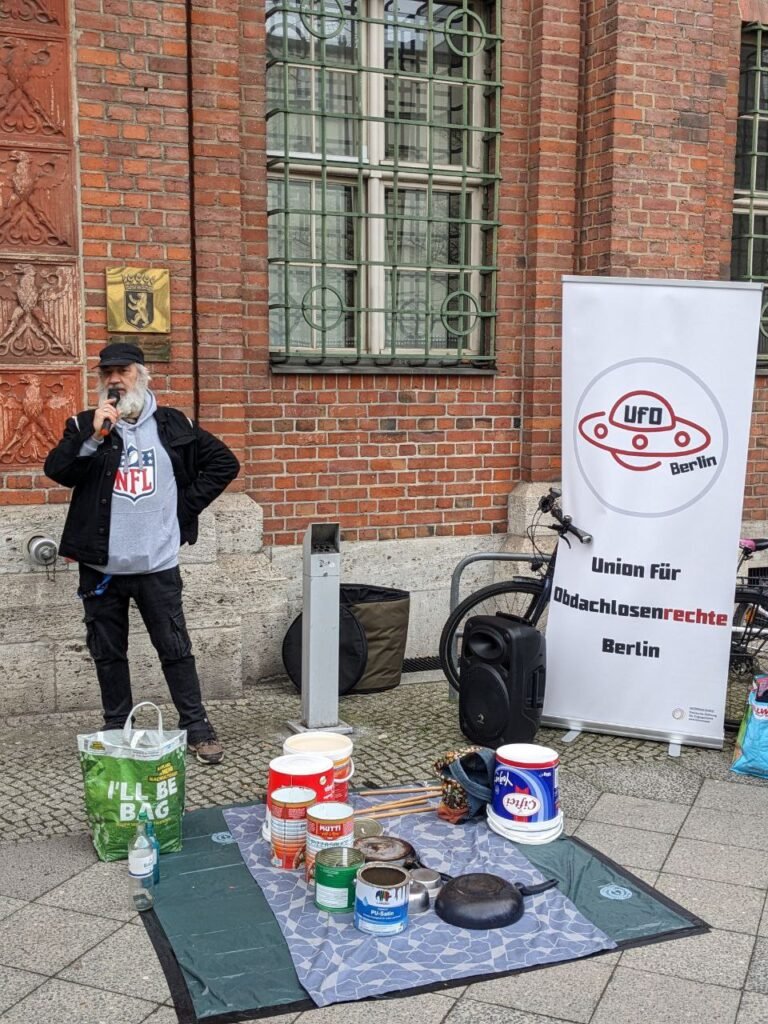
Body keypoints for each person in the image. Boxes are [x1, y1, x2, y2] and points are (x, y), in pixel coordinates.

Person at [44, 342, 240, 764]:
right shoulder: (84, 425)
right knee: (107, 652)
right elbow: (58, 471)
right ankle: (118, 729)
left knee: (175, 649)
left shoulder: (173, 425)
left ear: (142, 375)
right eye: (107, 373)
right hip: (101, 569)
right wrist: (96, 436)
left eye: (124, 371)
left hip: (157, 565)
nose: (115, 380)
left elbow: (225, 463)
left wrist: (181, 508)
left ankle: (197, 728)